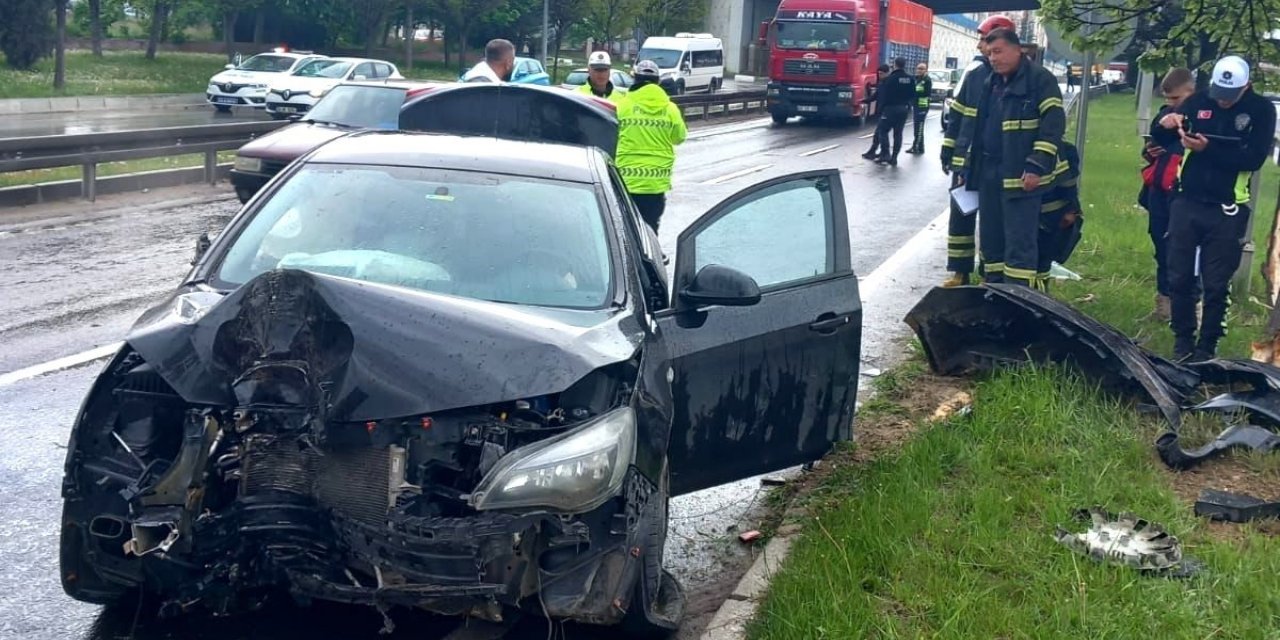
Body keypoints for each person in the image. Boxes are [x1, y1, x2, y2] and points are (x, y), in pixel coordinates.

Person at [1152, 55, 1276, 361]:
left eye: (1229, 97)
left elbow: (1253, 158)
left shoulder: (1261, 110)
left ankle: (1207, 347)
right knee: (1179, 276)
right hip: (1187, 200)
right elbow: (1163, 137)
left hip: (1227, 207)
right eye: (1219, 94)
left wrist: (1210, 149)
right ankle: (1182, 341)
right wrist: (1166, 123)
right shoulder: (1198, 101)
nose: (1222, 102)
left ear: (1246, 85)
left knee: (1216, 282)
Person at [966, 28, 1065, 287]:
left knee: (1019, 243)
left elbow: (1053, 125)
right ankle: (995, 290)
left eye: (998, 51)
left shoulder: (1040, 80)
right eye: (989, 54)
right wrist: (970, 169)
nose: (993, 59)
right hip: (990, 174)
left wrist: (1036, 165)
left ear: (1017, 49)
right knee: (991, 241)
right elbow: (980, 129)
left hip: (1022, 177)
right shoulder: (993, 82)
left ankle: (1018, 298)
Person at [938, 13, 1017, 286]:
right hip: (967, 161)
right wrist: (949, 152)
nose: (979, 46)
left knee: (993, 223)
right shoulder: (974, 73)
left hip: (992, 163)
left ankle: (990, 274)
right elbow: (957, 115)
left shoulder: (1012, 76)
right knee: (961, 218)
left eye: (984, 40)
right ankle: (960, 272)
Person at [1138, 67, 1195, 320]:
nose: (1171, 105)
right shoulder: (1163, 116)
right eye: (1167, 99)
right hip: (1159, 191)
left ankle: (1189, 308)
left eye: (1176, 99)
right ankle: (1163, 306)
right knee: (1161, 246)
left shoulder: (1201, 117)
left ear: (1191, 93)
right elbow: (1150, 147)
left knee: (1183, 251)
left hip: (1185, 195)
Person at [617, 60, 687, 233]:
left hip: (626, 181)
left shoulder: (622, 105)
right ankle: (652, 258)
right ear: (658, 82)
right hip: (656, 183)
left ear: (635, 79)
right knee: (650, 229)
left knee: (625, 230)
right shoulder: (670, 109)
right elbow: (680, 137)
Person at [1035, 141, 1082, 290]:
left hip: (1052, 219)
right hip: (1027, 216)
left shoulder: (1065, 150)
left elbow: (1070, 186)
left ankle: (1040, 297)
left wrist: (1071, 210)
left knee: (1042, 262)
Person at [870, 57, 916, 166]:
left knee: (882, 131)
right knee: (898, 133)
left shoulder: (890, 79)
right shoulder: (910, 78)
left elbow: (885, 96)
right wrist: (908, 105)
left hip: (890, 109)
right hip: (903, 109)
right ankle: (894, 158)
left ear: (895, 65)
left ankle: (885, 154)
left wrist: (881, 109)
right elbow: (913, 94)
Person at [861, 65, 892, 160]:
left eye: (882, 74)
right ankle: (876, 152)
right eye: (879, 74)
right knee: (879, 133)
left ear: (887, 73)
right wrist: (865, 100)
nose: (880, 75)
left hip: (887, 111)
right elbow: (876, 95)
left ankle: (884, 153)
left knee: (881, 132)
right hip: (882, 110)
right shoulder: (882, 83)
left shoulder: (890, 83)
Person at [906, 62, 932, 154]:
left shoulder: (926, 80)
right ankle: (919, 147)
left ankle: (916, 146)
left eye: (921, 69)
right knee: (916, 127)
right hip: (916, 106)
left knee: (919, 128)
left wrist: (914, 91)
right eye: (918, 68)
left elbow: (924, 92)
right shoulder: (916, 79)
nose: (919, 70)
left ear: (926, 70)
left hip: (922, 106)